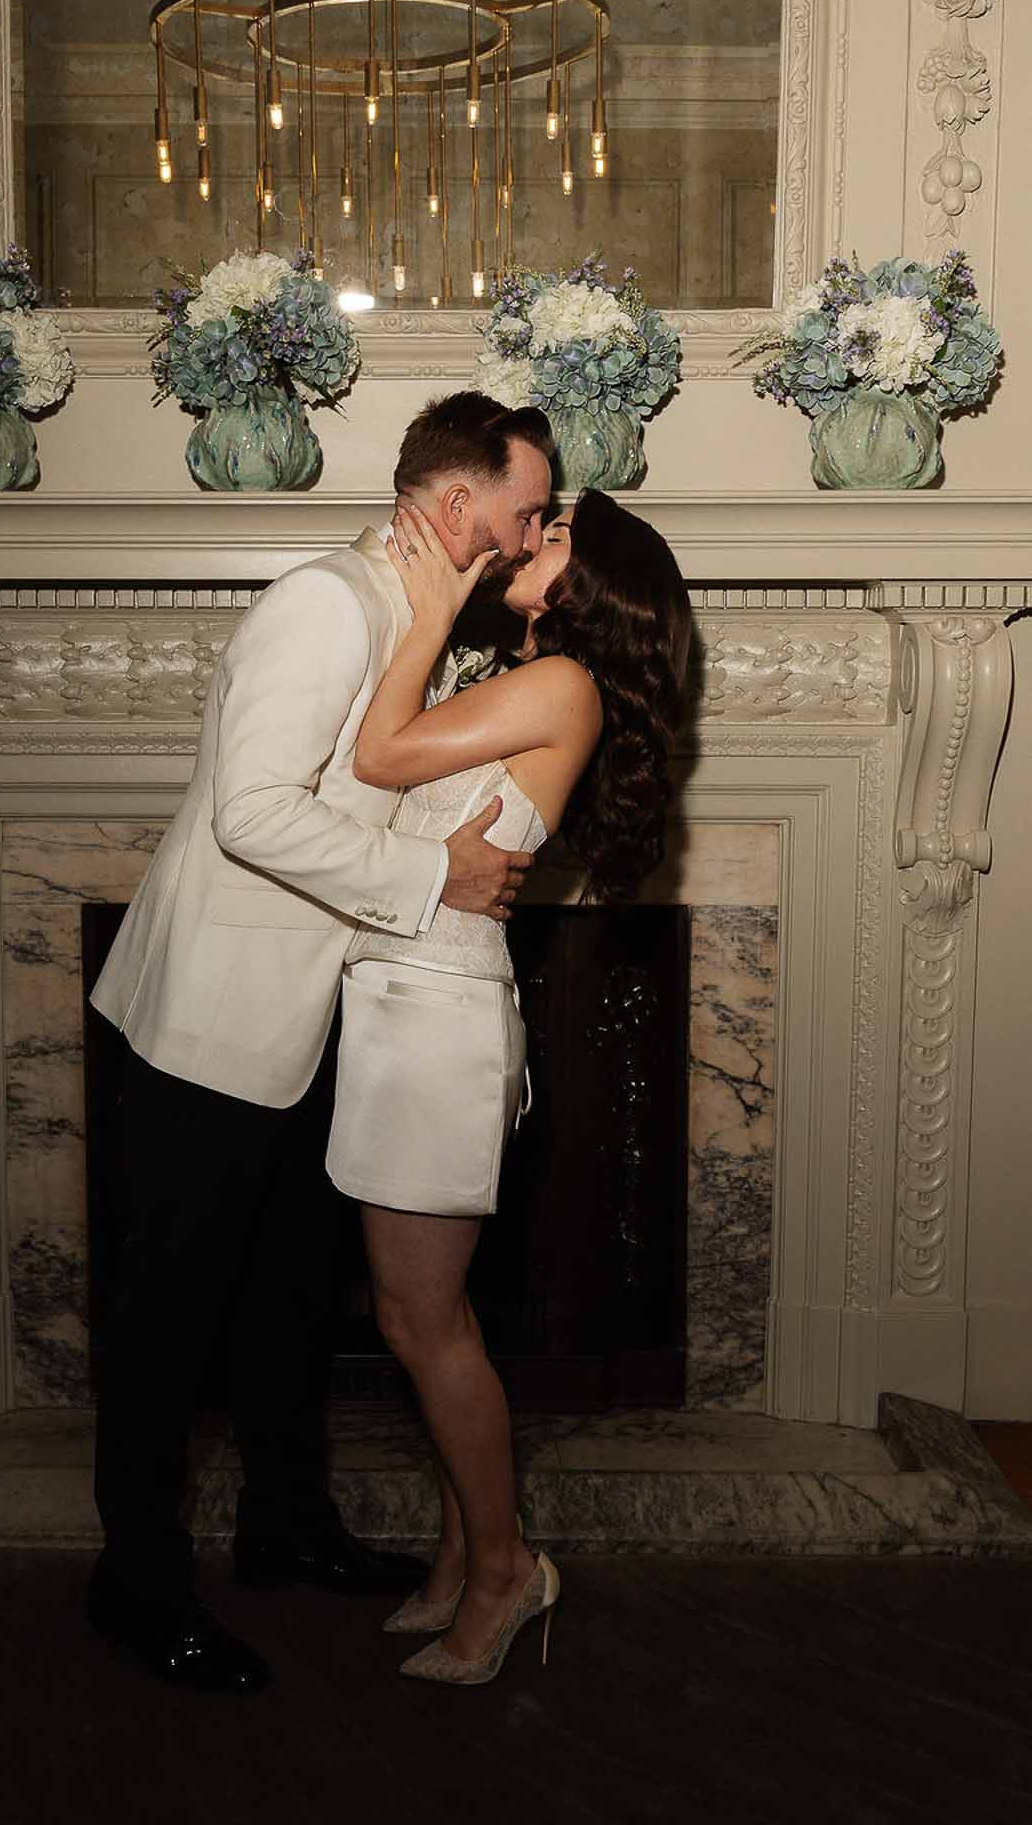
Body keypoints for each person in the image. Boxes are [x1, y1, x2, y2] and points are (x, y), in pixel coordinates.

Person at [86, 391, 555, 1692]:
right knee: (168, 1320)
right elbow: (252, 816)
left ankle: (285, 1529)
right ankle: (134, 1583)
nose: (530, 538)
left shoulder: (418, 632)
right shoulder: (322, 605)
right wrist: (436, 884)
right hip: (208, 1020)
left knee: (287, 1302)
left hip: (314, 1023)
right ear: (456, 508)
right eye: (522, 513)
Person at [327, 484, 693, 1685]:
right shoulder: (534, 671)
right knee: (433, 1320)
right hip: (411, 1000)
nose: (534, 536)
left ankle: (504, 1573)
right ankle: (456, 1556)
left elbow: (378, 754)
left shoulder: (561, 682)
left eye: (560, 533)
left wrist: (428, 606)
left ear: (594, 586)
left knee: (420, 1323)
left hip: (434, 1014)